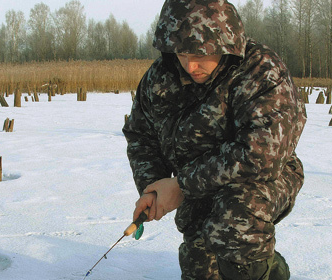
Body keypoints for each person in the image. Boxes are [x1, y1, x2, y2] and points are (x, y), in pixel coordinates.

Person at [122, 0, 307, 279]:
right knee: (202, 268)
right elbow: (141, 135)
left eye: (201, 53)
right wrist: (154, 187)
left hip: (262, 179)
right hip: (197, 184)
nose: (191, 64)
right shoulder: (161, 77)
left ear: (226, 43)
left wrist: (182, 185)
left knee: (234, 226)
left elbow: (261, 154)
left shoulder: (260, 70)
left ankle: (268, 270)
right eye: (182, 53)